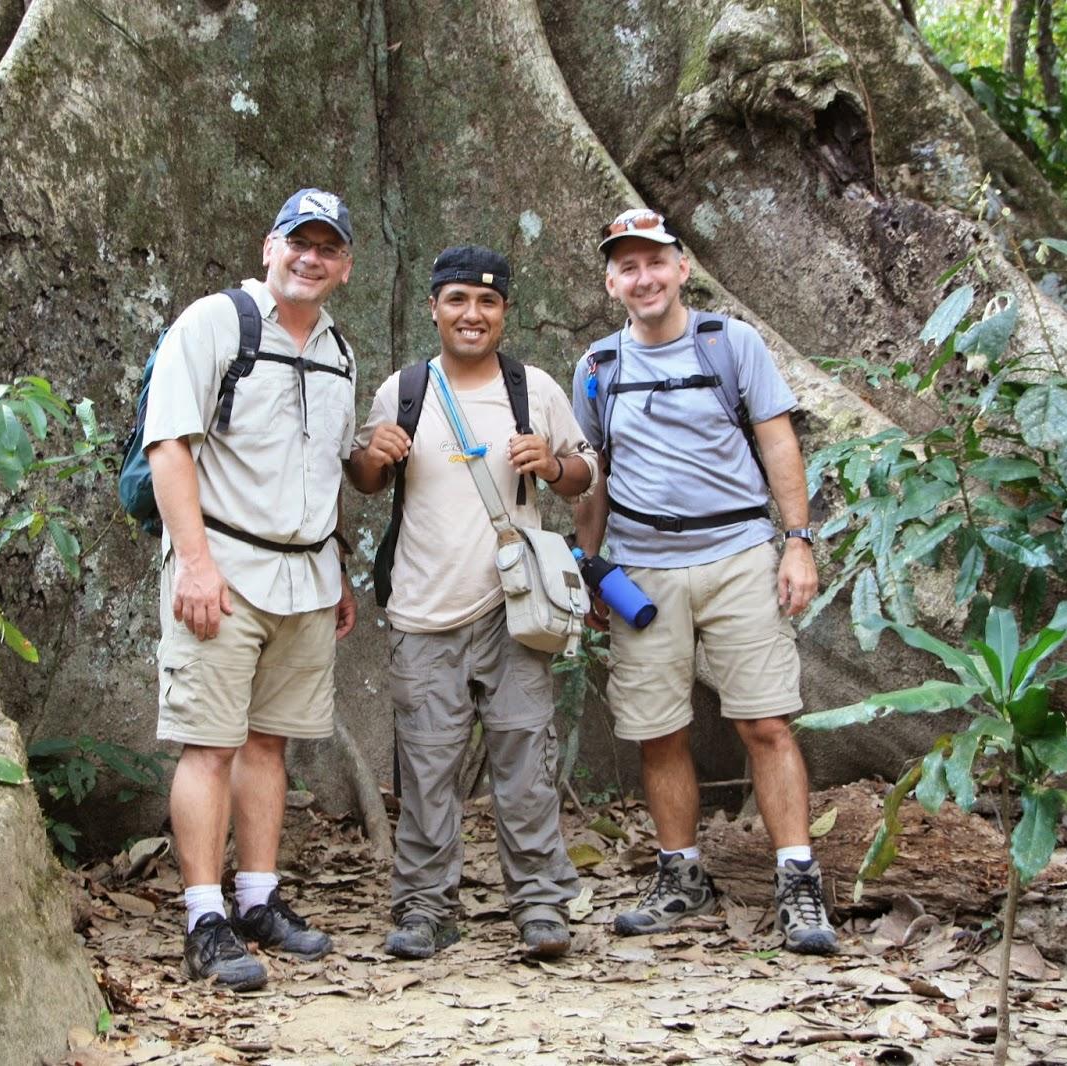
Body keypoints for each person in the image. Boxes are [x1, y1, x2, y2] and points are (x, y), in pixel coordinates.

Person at [570, 209, 838, 956]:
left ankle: (797, 881)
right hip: (643, 566)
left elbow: (777, 439)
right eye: (627, 265)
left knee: (767, 721)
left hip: (738, 555)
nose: (644, 276)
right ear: (611, 281)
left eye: (655, 260)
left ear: (681, 268)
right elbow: (592, 478)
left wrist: (798, 544)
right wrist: (593, 569)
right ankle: (680, 875)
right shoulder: (597, 367)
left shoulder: (730, 343)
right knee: (659, 731)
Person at [347, 245, 598, 961]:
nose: (472, 314)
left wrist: (552, 466)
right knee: (427, 767)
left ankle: (542, 907)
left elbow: (584, 473)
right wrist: (374, 456)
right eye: (457, 300)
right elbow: (366, 478)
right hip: (424, 611)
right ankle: (425, 908)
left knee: (527, 760)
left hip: (517, 611)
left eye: (487, 302)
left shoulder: (533, 388)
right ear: (434, 307)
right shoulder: (404, 389)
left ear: (504, 313)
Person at [142, 188, 360, 991]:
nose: (311, 257)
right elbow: (169, 447)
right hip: (223, 573)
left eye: (327, 247)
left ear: (344, 266)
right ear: (270, 245)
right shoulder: (214, 323)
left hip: (305, 579)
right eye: (298, 241)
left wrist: (335, 567)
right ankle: (204, 916)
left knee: (270, 742)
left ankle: (258, 899)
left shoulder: (339, 350)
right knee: (211, 743)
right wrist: (194, 565)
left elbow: (322, 469)